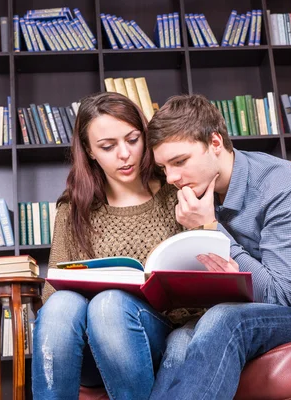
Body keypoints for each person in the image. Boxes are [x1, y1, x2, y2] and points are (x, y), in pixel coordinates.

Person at [147, 94, 291, 399]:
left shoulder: (283, 184)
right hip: (242, 306)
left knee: (224, 320)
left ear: (215, 143)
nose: (172, 178)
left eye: (179, 162)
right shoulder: (197, 192)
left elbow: (278, 296)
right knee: (179, 338)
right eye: (163, 167)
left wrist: (209, 229)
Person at [31, 92, 182, 400]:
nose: (124, 154)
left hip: (155, 336)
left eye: (133, 139)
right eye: (108, 146)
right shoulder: (73, 209)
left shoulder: (175, 194)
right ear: (89, 151)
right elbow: (52, 296)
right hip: (90, 352)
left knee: (110, 304)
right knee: (60, 305)